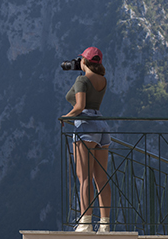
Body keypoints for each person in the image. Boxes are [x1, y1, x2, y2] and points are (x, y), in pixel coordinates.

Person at [62, 46, 111, 233]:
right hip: (102, 125)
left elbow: (80, 106)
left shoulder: (82, 80)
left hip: (86, 126)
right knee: (101, 178)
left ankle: (85, 222)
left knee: (84, 178)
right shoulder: (103, 80)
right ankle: (105, 224)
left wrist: (65, 117)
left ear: (84, 61)